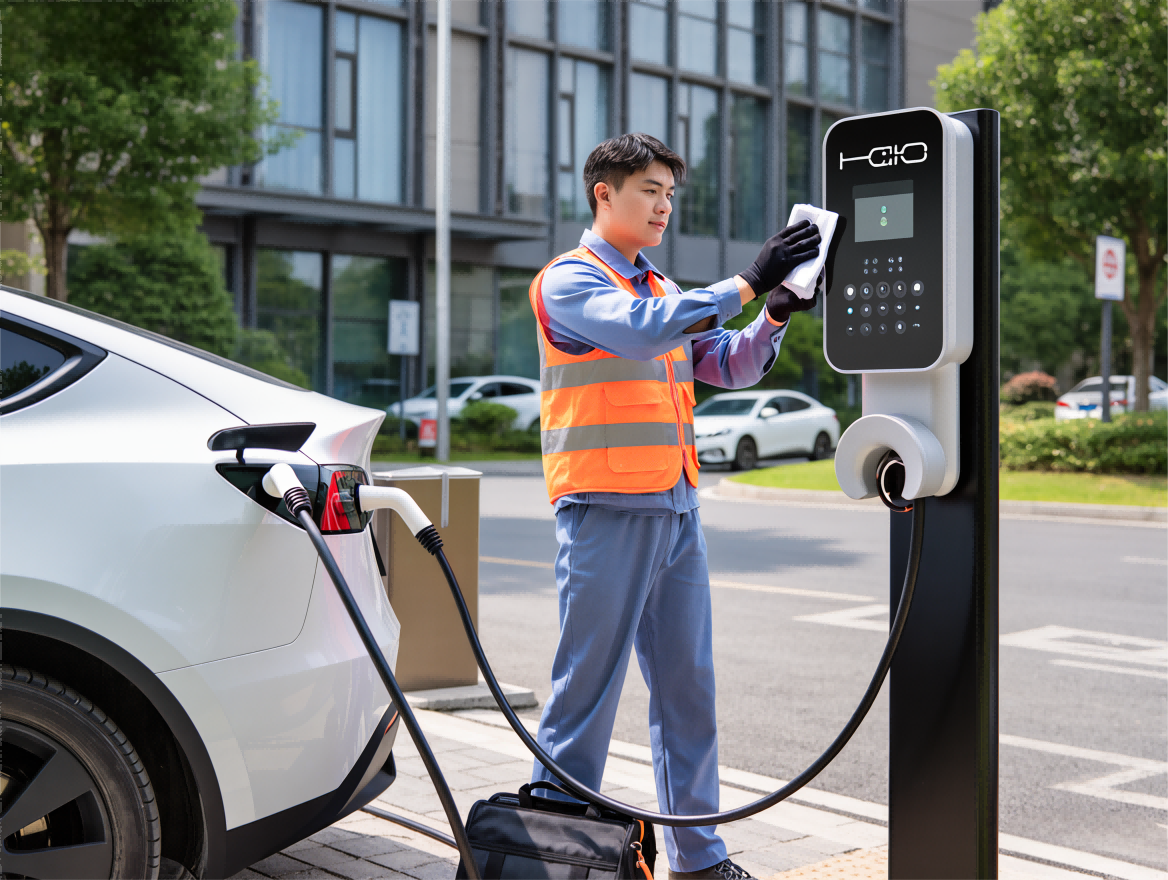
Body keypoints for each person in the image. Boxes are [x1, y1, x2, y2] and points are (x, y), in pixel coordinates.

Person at [527, 133, 826, 880]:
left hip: (676, 510)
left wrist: (777, 310)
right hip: (604, 509)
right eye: (650, 190)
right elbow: (638, 332)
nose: (664, 205)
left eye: (669, 193)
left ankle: (701, 861)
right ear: (605, 193)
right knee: (585, 697)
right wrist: (749, 279)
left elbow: (729, 361)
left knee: (689, 694)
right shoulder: (568, 282)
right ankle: (549, 860)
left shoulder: (662, 290)